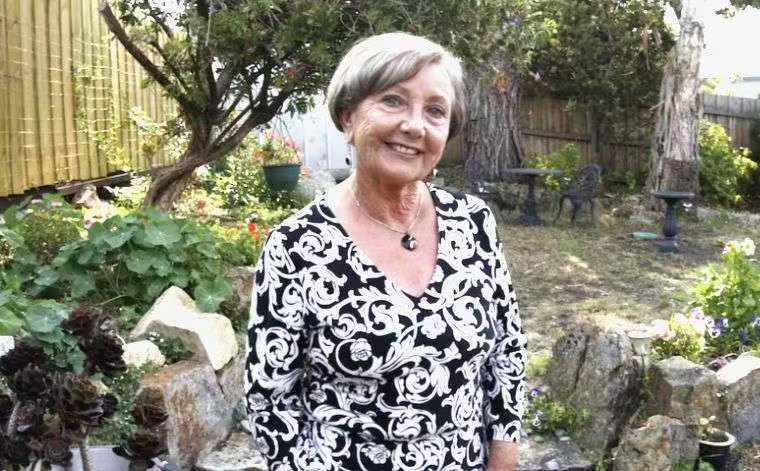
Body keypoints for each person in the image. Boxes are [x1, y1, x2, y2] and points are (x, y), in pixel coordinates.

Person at [245, 32, 526, 471]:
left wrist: (503, 457)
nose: (414, 125)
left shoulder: (474, 222)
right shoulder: (295, 246)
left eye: (435, 111)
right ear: (348, 117)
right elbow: (271, 402)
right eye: (393, 101)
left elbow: (507, 350)